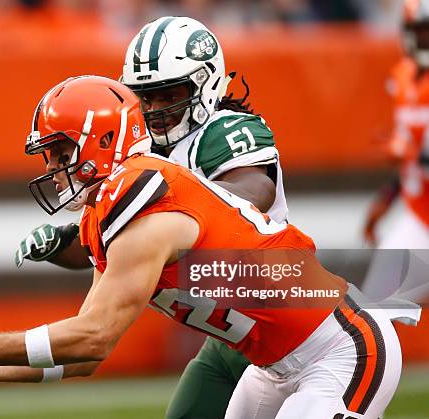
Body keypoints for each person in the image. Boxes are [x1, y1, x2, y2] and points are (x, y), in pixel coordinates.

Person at [0, 75, 402, 419]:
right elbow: (84, 359)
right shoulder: (107, 216)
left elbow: (92, 337)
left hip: (342, 346)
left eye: (62, 152)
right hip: (272, 364)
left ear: (103, 140)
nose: (54, 168)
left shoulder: (145, 197)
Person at [16, 16, 287, 418]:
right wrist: (66, 242)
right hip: (227, 335)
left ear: (205, 82)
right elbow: (113, 251)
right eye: (147, 96)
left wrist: (171, 205)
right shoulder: (137, 154)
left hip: (282, 313)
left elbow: (253, 194)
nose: (157, 108)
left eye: (169, 94)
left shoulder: (225, 130)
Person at [363, 0, 429, 250]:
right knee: (382, 288)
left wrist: (411, 152)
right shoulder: (402, 80)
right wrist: (385, 200)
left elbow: (413, 153)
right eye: (423, 33)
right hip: (419, 215)